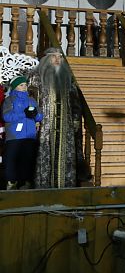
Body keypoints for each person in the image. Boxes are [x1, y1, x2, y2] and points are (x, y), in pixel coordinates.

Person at [27, 48, 82, 188]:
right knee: (44, 154)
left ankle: (65, 186)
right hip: (44, 126)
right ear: (46, 59)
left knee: (65, 156)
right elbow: (30, 101)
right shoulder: (36, 78)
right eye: (54, 57)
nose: (57, 60)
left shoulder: (68, 79)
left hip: (65, 126)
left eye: (60, 57)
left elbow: (75, 102)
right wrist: (33, 120)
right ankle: (43, 186)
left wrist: (76, 119)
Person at [2, 76, 43, 190]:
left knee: (27, 159)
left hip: (29, 135)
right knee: (12, 159)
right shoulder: (9, 100)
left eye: (25, 85)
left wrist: (36, 115)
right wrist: (23, 114)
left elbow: (40, 115)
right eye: (21, 85)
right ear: (15, 87)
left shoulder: (31, 100)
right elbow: (6, 116)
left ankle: (25, 182)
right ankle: (12, 182)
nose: (24, 87)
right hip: (14, 135)